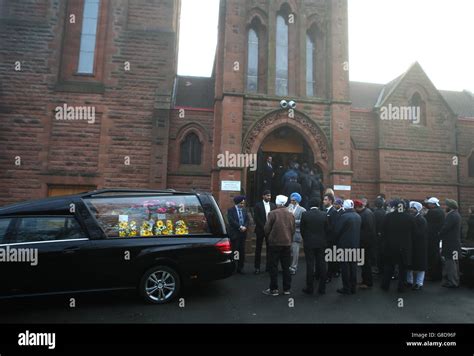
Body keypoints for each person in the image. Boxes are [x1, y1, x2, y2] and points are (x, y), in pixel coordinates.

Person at [381, 199, 416, 292]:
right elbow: (414, 233)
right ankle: (401, 287)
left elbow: (383, 231)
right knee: (403, 268)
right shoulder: (410, 218)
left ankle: (385, 285)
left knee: (389, 266)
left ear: (395, 207)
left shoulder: (388, 217)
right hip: (404, 247)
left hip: (390, 246)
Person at [263, 195, 295, 296]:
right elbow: (292, 229)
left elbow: (267, 229)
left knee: (274, 266)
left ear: (277, 202)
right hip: (287, 243)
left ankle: (274, 289)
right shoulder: (291, 214)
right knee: (286, 267)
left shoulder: (272, 213)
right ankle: (286, 289)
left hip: (275, 243)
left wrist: (269, 237)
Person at [300, 198, 329, 295]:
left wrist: (306, 239)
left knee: (310, 265)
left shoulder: (305, 214)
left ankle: (310, 288)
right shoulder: (324, 214)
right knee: (322, 264)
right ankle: (322, 289)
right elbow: (327, 229)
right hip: (321, 243)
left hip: (309, 243)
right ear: (318, 204)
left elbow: (302, 230)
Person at [334, 200, 361, 295]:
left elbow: (337, 231)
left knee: (345, 267)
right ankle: (353, 287)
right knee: (353, 266)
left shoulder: (344, 216)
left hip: (344, 246)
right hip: (355, 245)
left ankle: (346, 288)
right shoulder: (358, 216)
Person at [439, 199, 462, 288]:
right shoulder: (457, 215)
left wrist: (439, 233)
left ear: (450, 206)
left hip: (450, 244)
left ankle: (452, 282)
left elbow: (446, 228)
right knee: (455, 263)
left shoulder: (451, 215)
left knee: (450, 263)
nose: (445, 207)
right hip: (455, 243)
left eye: (446, 205)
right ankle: (455, 280)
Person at [354, 199, 376, 289]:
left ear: (357, 207)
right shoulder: (367, 212)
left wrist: (361, 243)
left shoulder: (365, 215)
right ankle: (365, 281)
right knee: (364, 263)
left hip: (366, 244)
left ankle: (367, 282)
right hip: (367, 243)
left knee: (366, 264)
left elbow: (367, 231)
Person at [253, 190, 276, 274]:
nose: (269, 197)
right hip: (260, 229)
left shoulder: (273, 205)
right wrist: (264, 226)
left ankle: (268, 267)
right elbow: (256, 218)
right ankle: (257, 267)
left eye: (269, 196)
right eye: (267, 195)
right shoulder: (258, 205)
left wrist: (269, 227)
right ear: (263, 196)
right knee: (258, 249)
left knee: (269, 249)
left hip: (270, 230)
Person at [407, 201, 428, 290]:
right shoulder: (410, 218)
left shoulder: (421, 220)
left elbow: (420, 233)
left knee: (420, 266)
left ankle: (419, 283)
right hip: (411, 245)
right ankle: (409, 281)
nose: (411, 209)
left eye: (414, 208)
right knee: (409, 265)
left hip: (419, 246)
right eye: (411, 208)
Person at [227, 195, 249, 274]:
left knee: (241, 250)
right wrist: (239, 227)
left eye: (243, 203)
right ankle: (234, 266)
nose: (242, 205)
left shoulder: (244, 210)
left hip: (243, 234)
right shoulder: (231, 210)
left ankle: (240, 267)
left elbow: (247, 219)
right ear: (237, 203)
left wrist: (245, 227)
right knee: (235, 251)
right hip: (235, 233)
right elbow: (231, 220)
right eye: (241, 203)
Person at [424, 197, 445, 281]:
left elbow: (426, 221)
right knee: (436, 255)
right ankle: (438, 274)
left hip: (431, 237)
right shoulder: (441, 211)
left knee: (432, 256)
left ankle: (433, 275)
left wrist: (425, 214)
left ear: (433, 204)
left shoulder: (432, 212)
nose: (428, 205)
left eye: (429, 204)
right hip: (437, 236)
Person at [288, 192, 306, 275]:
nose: (291, 201)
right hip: (287, 233)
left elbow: (303, 221)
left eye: (293, 200)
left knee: (295, 252)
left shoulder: (302, 210)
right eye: (291, 200)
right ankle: (287, 266)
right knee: (287, 251)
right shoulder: (287, 208)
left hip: (297, 232)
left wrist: (292, 221)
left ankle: (293, 267)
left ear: (297, 200)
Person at [323, 193, 339, 282]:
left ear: (330, 201)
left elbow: (333, 227)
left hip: (331, 239)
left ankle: (329, 276)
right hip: (325, 239)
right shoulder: (324, 210)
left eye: (325, 199)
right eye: (324, 199)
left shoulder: (333, 212)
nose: (324, 201)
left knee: (330, 259)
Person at [373, 197, 387, 274]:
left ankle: (379, 268)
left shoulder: (374, 213)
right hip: (384, 235)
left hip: (376, 235)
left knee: (377, 252)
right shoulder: (385, 212)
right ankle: (382, 268)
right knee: (382, 252)